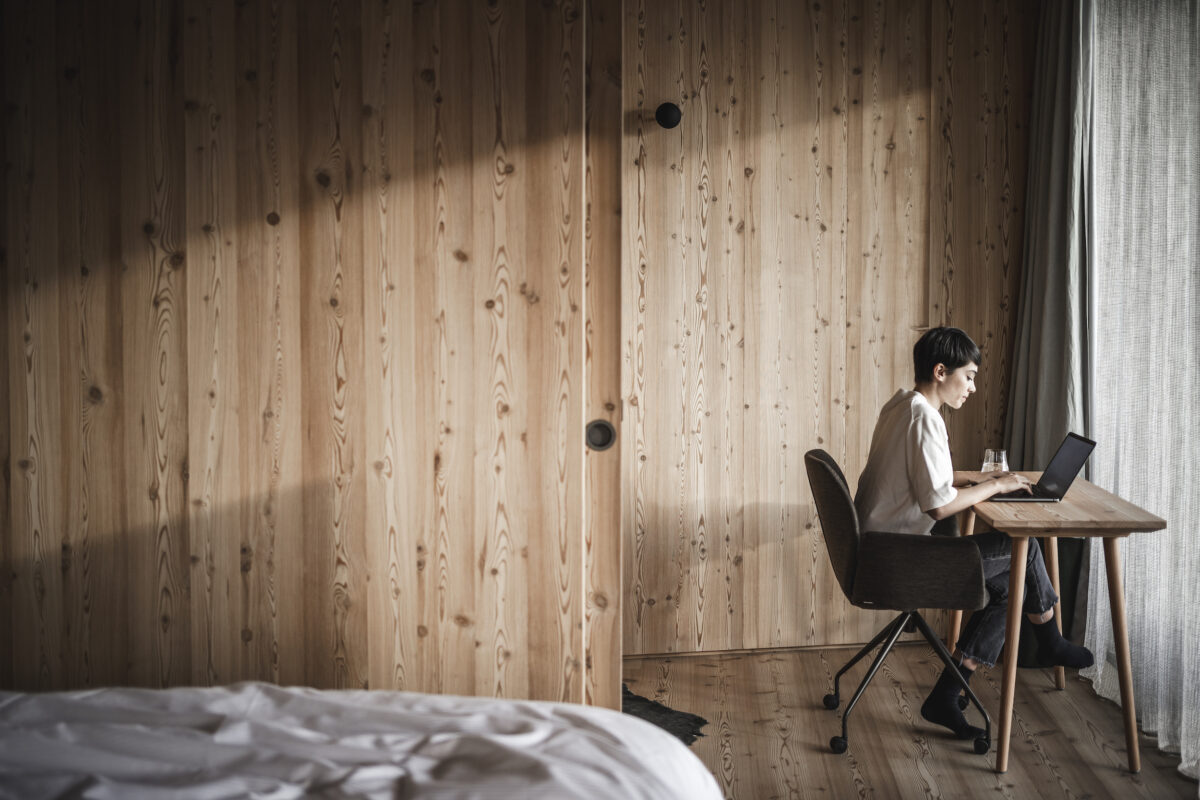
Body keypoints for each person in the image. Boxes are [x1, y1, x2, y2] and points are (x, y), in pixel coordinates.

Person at [854, 326, 1094, 741]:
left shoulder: (902, 405)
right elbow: (939, 506)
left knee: (1010, 582)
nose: (974, 387)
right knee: (1025, 551)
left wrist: (978, 480)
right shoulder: (924, 420)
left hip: (881, 551)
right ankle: (1050, 638)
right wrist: (996, 486)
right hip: (900, 561)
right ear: (941, 371)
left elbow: (925, 481)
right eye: (968, 376)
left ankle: (950, 691)